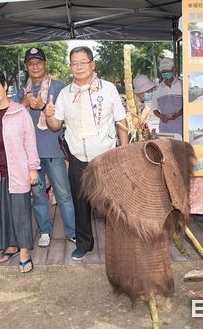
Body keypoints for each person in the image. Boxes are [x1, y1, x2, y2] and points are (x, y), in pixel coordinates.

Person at [43, 46, 128, 261]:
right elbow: (55, 126)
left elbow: (121, 120)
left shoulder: (108, 89)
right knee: (80, 202)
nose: (78, 67)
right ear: (70, 67)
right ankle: (84, 243)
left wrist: (124, 152)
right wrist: (48, 113)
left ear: (92, 64)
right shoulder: (65, 93)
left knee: (111, 203)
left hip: (106, 156)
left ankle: (118, 244)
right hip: (77, 157)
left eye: (83, 62)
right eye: (74, 63)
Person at [12, 47, 76, 248]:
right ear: (26, 67)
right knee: (38, 196)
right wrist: (25, 102)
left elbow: (68, 116)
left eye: (38, 62)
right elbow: (11, 116)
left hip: (54, 151)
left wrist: (43, 108)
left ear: (45, 63)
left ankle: (72, 232)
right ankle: (45, 231)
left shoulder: (60, 87)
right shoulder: (22, 92)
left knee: (64, 194)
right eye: (31, 63)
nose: (35, 66)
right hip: (31, 155)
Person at [0, 69, 40, 274]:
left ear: (5, 86)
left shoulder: (19, 112)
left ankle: (24, 252)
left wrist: (33, 169)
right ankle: (10, 246)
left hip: (19, 171)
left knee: (20, 212)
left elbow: (30, 142)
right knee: (0, 213)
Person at [151, 58, 183, 139]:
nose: (165, 73)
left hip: (182, 129)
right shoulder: (157, 89)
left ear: (173, 69)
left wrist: (179, 113)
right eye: (163, 71)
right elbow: (154, 109)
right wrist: (161, 116)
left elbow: (188, 105)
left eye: (167, 71)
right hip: (165, 131)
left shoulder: (182, 85)